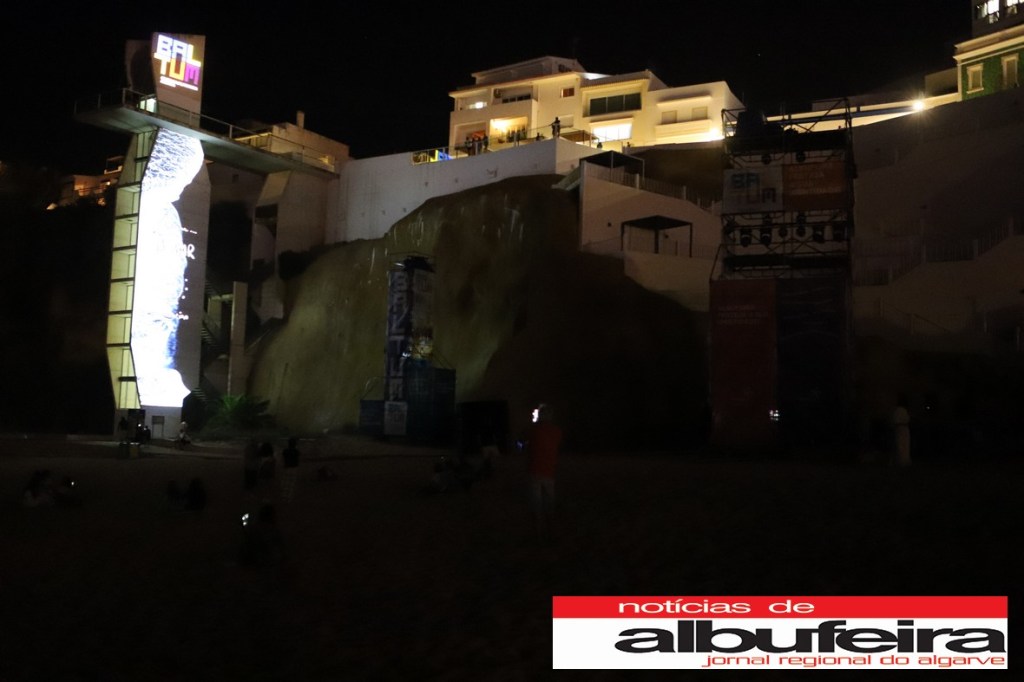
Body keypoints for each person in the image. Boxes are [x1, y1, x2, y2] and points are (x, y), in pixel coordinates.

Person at [525, 403, 562, 540]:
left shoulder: (533, 430)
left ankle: (537, 534)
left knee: (536, 505)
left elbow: (523, 443)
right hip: (549, 471)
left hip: (534, 470)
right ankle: (551, 532)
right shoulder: (557, 431)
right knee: (549, 504)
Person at [892, 394, 911, 467]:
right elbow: (906, 419)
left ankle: (902, 460)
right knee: (902, 444)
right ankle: (903, 461)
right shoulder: (902, 410)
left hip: (900, 428)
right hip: (902, 428)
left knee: (901, 444)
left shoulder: (897, 410)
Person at [280, 437, 300, 502]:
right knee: (291, 484)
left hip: (287, 467)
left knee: (285, 483)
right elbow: (298, 459)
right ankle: (288, 497)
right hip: (294, 468)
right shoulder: (296, 451)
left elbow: (282, 459)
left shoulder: (285, 451)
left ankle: (284, 496)